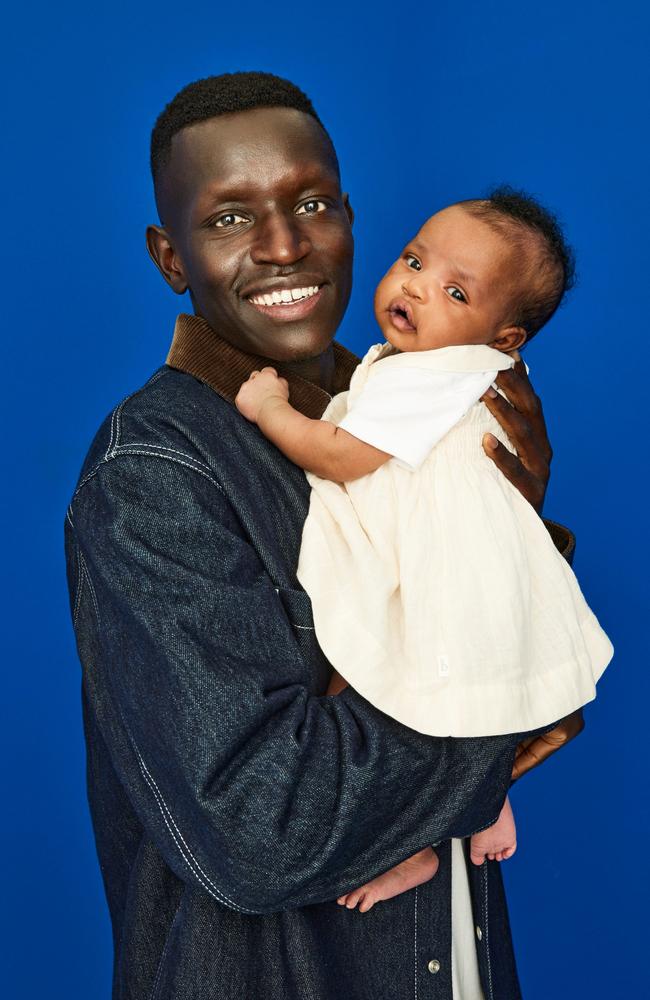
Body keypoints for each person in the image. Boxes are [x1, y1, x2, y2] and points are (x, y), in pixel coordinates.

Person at [65, 71, 584, 1000]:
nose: (283, 244)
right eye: (228, 218)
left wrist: (508, 524)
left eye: (311, 203)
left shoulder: (422, 407)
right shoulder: (153, 474)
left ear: (349, 217)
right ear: (169, 257)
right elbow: (265, 829)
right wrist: (497, 673)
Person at [234, 191, 613, 914]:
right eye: (414, 259)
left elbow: (341, 456)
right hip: (468, 574)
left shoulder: (435, 375)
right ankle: (479, 801)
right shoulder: (455, 373)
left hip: (438, 577)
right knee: (436, 707)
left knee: (372, 690)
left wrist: (269, 410)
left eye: (455, 291)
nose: (414, 286)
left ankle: (415, 846)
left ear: (502, 338)